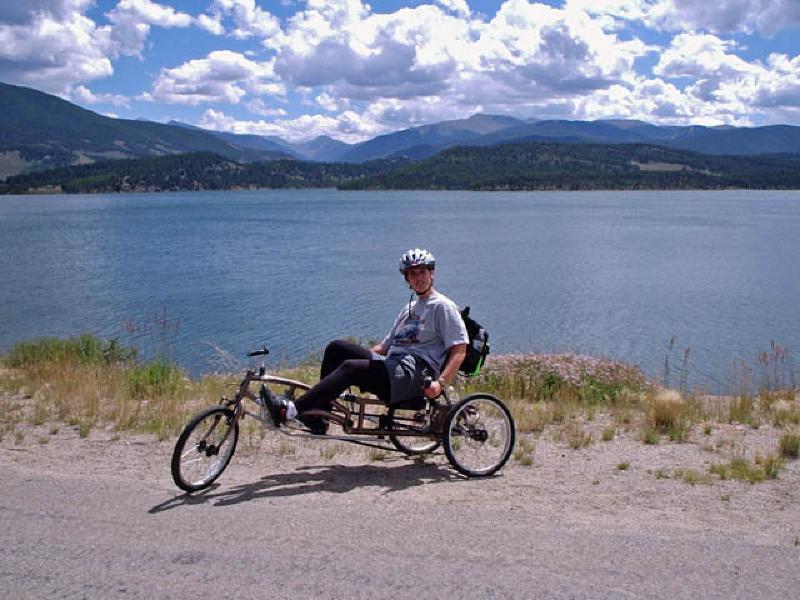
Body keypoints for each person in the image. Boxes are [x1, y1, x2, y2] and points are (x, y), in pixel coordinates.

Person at [263, 248, 468, 434]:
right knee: (337, 348)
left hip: (413, 375)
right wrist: (366, 361)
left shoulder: (442, 306)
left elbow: (459, 350)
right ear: (407, 279)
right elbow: (384, 348)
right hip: (392, 367)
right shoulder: (409, 309)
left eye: (422, 272)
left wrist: (440, 384)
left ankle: (290, 410)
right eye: (413, 274)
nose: (418, 278)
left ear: (432, 273)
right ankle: (318, 417)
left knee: (351, 368)